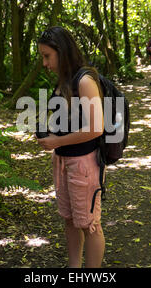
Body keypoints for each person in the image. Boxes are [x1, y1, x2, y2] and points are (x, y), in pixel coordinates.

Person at [35, 26, 105, 268]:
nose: (44, 63)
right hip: (63, 162)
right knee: (70, 220)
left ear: (62, 52)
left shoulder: (84, 81)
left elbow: (96, 128)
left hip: (83, 164)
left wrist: (57, 141)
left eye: (47, 56)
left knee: (89, 224)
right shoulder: (63, 81)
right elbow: (69, 123)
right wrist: (51, 135)